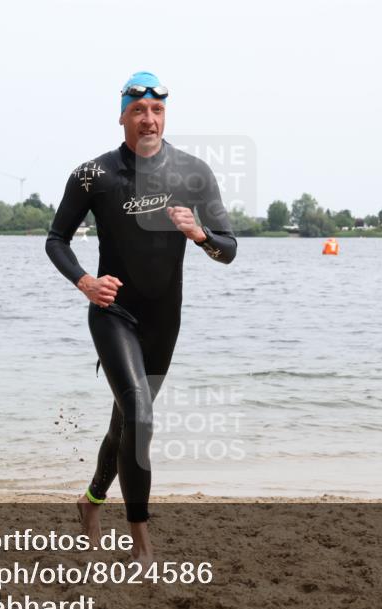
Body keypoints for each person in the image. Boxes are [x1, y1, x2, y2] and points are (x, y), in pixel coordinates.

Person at [46, 72, 237, 565]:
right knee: (140, 415)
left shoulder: (192, 172)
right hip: (113, 312)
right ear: (123, 116)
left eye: (156, 110)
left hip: (163, 320)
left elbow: (228, 250)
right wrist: (85, 282)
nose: (148, 119)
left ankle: (90, 502)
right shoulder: (93, 174)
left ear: (164, 115)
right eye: (138, 110)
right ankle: (142, 545)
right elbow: (56, 240)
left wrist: (200, 235)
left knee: (127, 422)